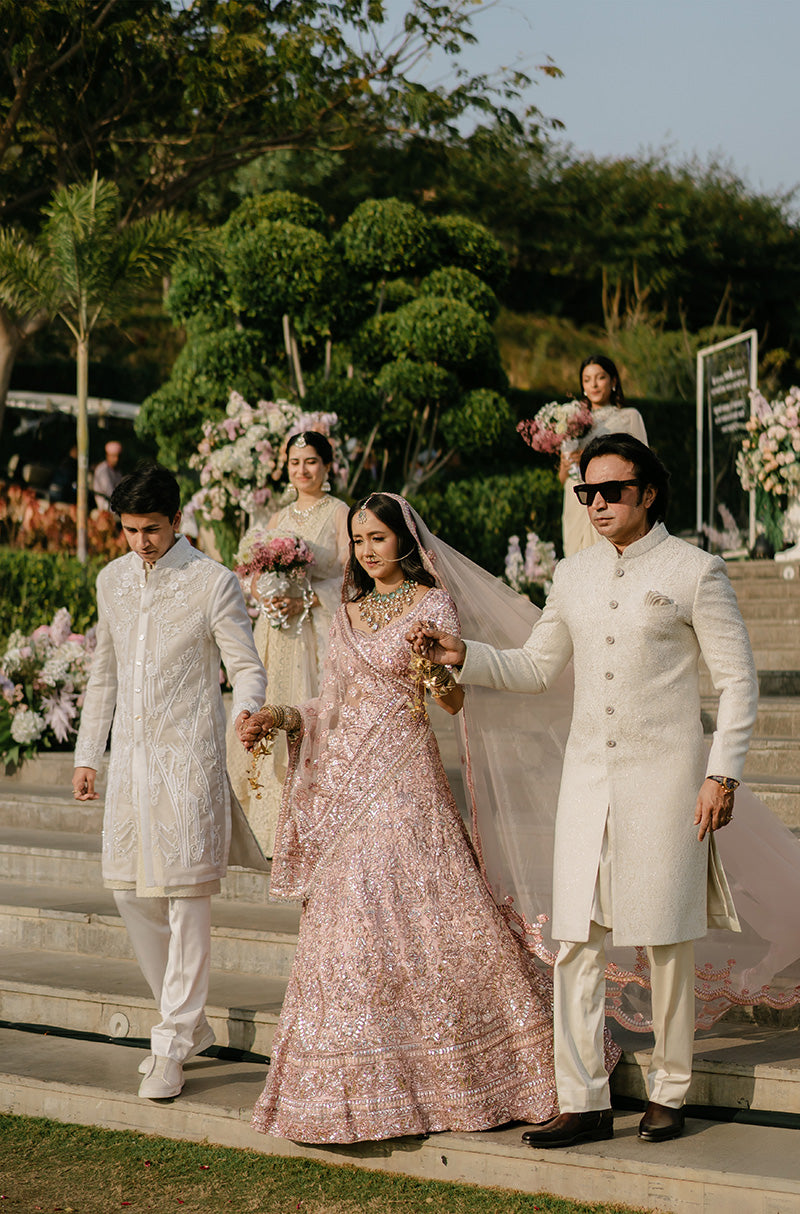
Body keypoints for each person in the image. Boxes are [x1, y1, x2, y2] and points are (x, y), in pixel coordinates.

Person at [409, 434, 759, 1147]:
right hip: (586, 784)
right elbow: (538, 668)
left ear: (648, 492)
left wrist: (721, 774)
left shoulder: (696, 570)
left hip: (666, 782)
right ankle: (584, 1099)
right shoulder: (571, 574)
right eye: (585, 494)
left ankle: (669, 1090)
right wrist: (464, 656)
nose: (597, 504)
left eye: (612, 491)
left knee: (665, 940)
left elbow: (739, 682)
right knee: (575, 941)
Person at [238, 493, 608, 1145]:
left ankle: (488, 1068)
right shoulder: (344, 613)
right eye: (357, 539)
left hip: (406, 781)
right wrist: (285, 717)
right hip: (350, 788)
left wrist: (438, 678)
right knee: (348, 933)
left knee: (440, 925)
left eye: (377, 537)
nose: (366, 549)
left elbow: (452, 697)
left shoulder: (431, 604)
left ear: (403, 540)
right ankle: (352, 1085)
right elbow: (332, 703)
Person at [72, 462, 267, 1101]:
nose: (140, 542)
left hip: (191, 763)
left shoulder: (214, 584)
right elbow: (104, 674)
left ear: (176, 520)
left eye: (150, 529)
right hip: (130, 764)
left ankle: (172, 1044)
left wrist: (246, 717)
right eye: (128, 530)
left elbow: (246, 666)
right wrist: (87, 756)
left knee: (187, 902)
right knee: (130, 894)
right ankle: (187, 1025)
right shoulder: (112, 580)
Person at [227, 430, 349, 855]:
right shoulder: (277, 519)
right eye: (295, 462)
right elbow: (253, 577)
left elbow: (353, 577)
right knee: (270, 708)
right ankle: (269, 826)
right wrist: (268, 595)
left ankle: (315, 825)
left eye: (311, 461)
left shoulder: (339, 513)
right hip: (276, 635)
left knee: (311, 714)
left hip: (316, 632)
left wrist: (310, 598)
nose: (303, 470)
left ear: (327, 466)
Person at [558, 355, 647, 557]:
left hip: (609, 497)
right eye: (587, 380)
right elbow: (563, 478)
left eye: (600, 378)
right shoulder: (571, 421)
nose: (594, 385)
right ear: (582, 386)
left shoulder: (629, 417)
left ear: (613, 381)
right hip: (575, 501)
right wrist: (565, 464)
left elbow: (643, 464)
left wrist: (592, 459)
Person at [92, 440, 124, 511]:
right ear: (107, 456)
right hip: (106, 507)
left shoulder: (118, 471)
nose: (116, 459)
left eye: (118, 456)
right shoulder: (102, 470)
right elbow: (110, 493)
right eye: (113, 456)